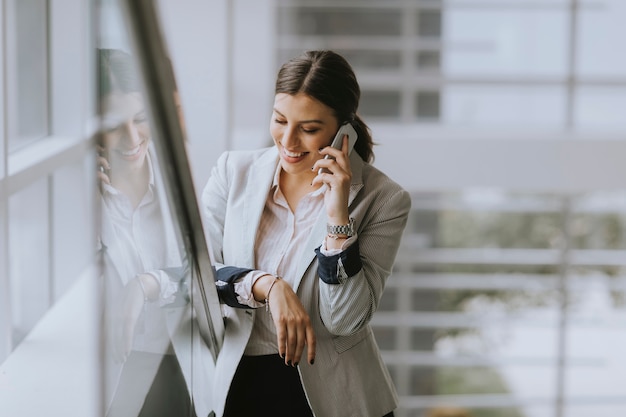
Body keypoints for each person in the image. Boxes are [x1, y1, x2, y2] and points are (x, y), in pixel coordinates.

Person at [201, 50, 412, 417]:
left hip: (333, 394)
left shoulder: (385, 199)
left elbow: (345, 320)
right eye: (280, 120)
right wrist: (267, 285)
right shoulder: (232, 172)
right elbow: (196, 272)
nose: (288, 140)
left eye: (309, 129)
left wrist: (337, 218)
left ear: (342, 128)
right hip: (239, 380)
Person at [97, 48, 194, 417]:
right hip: (108, 381)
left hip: (179, 369)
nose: (132, 137)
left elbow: (206, 273)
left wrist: (145, 285)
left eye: (141, 119)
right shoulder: (75, 195)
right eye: (113, 123)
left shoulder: (184, 177)